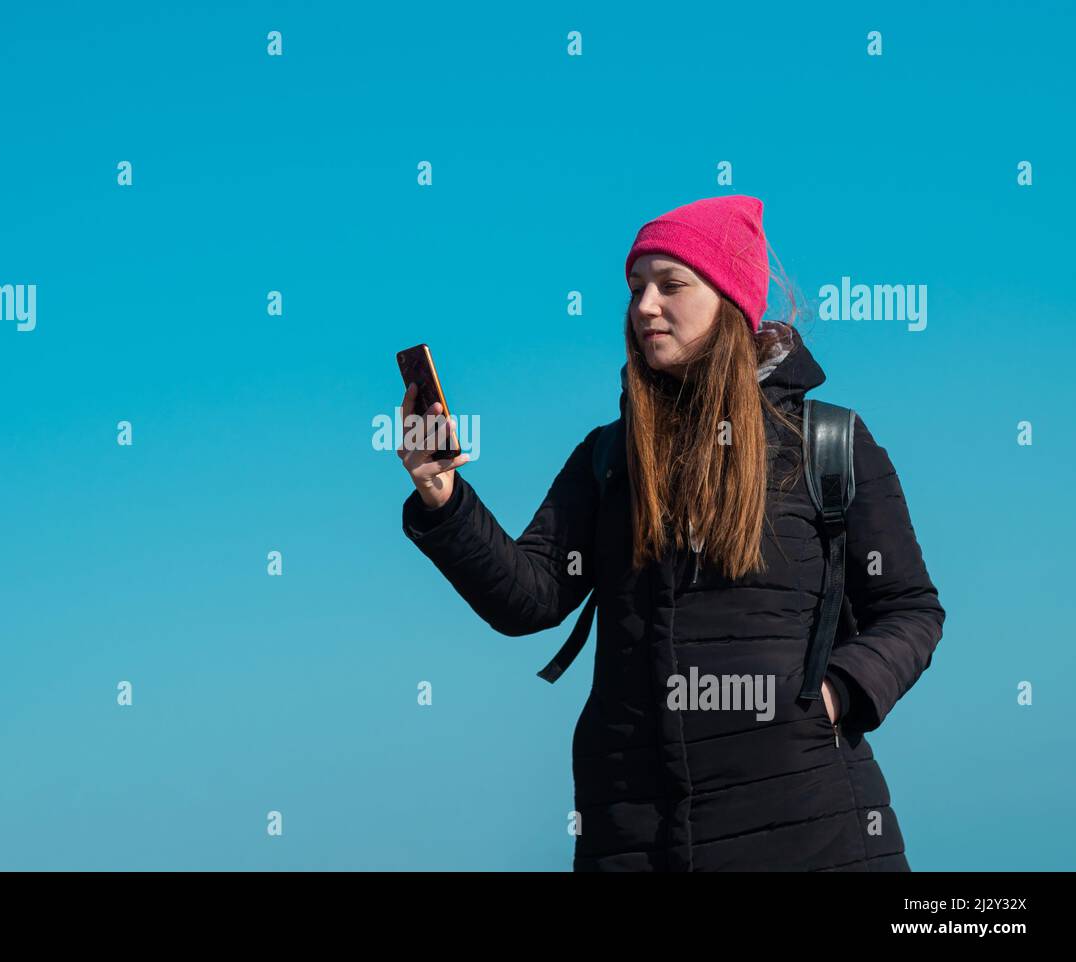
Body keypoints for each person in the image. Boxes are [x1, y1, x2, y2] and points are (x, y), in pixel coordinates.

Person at [396, 195, 946, 871]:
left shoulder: (827, 443)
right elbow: (529, 598)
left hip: (814, 830)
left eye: (671, 284)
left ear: (729, 298)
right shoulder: (608, 458)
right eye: (635, 289)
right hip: (633, 835)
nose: (645, 307)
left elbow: (910, 609)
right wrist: (440, 494)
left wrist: (834, 697)